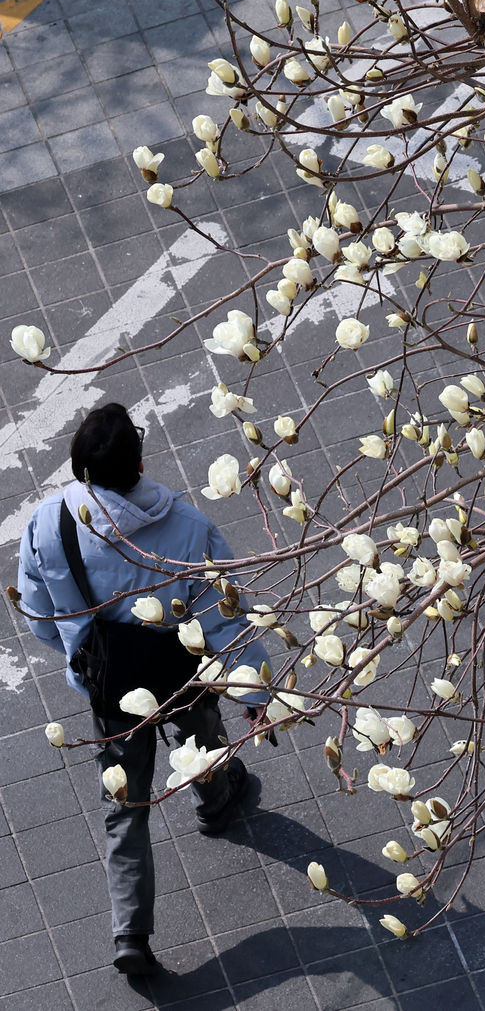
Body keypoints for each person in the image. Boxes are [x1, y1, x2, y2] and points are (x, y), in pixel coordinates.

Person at [17, 403, 269, 976]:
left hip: (112, 684)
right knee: (202, 739)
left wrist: (81, 657)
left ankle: (131, 933)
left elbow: (39, 612)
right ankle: (216, 799)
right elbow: (226, 614)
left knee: (125, 804)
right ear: (139, 463)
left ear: (81, 469)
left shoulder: (51, 524)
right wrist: (255, 692)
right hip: (180, 672)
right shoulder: (187, 526)